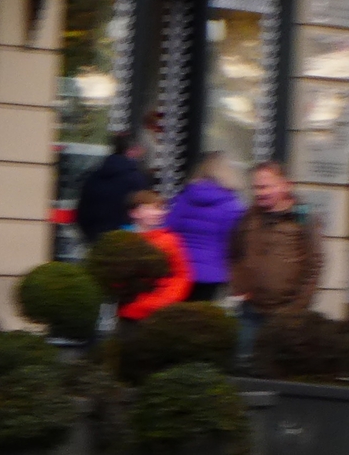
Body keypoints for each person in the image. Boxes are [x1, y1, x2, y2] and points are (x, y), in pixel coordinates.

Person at [229, 159, 322, 351]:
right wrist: (240, 287)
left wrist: (297, 307)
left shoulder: (303, 216)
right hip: (251, 310)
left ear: (285, 185)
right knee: (243, 364)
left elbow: (315, 264)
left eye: (265, 187)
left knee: (276, 369)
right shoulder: (249, 216)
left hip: (286, 313)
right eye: (256, 187)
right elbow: (234, 252)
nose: (259, 193)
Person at [165, 150, 244, 302]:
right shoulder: (231, 204)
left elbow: (170, 226)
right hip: (212, 272)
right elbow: (234, 241)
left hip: (181, 268)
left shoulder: (185, 197)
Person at [117, 186, 192, 323]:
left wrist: (166, 300)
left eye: (159, 208)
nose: (157, 213)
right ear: (134, 212)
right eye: (150, 208)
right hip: (130, 311)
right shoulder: (122, 240)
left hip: (160, 311)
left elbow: (182, 274)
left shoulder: (170, 240)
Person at [72, 127, 148, 243]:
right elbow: (140, 213)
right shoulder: (135, 179)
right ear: (132, 151)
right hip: (123, 241)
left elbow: (82, 213)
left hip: (95, 239)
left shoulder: (94, 176)